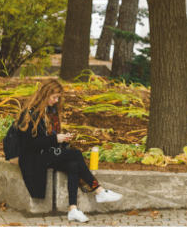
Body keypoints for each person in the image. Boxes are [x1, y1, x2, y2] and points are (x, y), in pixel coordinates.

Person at [16, 80, 122, 223]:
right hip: (34, 157)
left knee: (73, 164)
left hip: (48, 153)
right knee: (76, 154)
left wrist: (63, 139)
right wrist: (55, 139)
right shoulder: (31, 112)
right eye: (54, 97)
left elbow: (50, 138)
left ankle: (73, 209)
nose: (56, 100)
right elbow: (28, 144)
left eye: (58, 97)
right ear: (45, 94)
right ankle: (99, 190)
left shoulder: (51, 111)